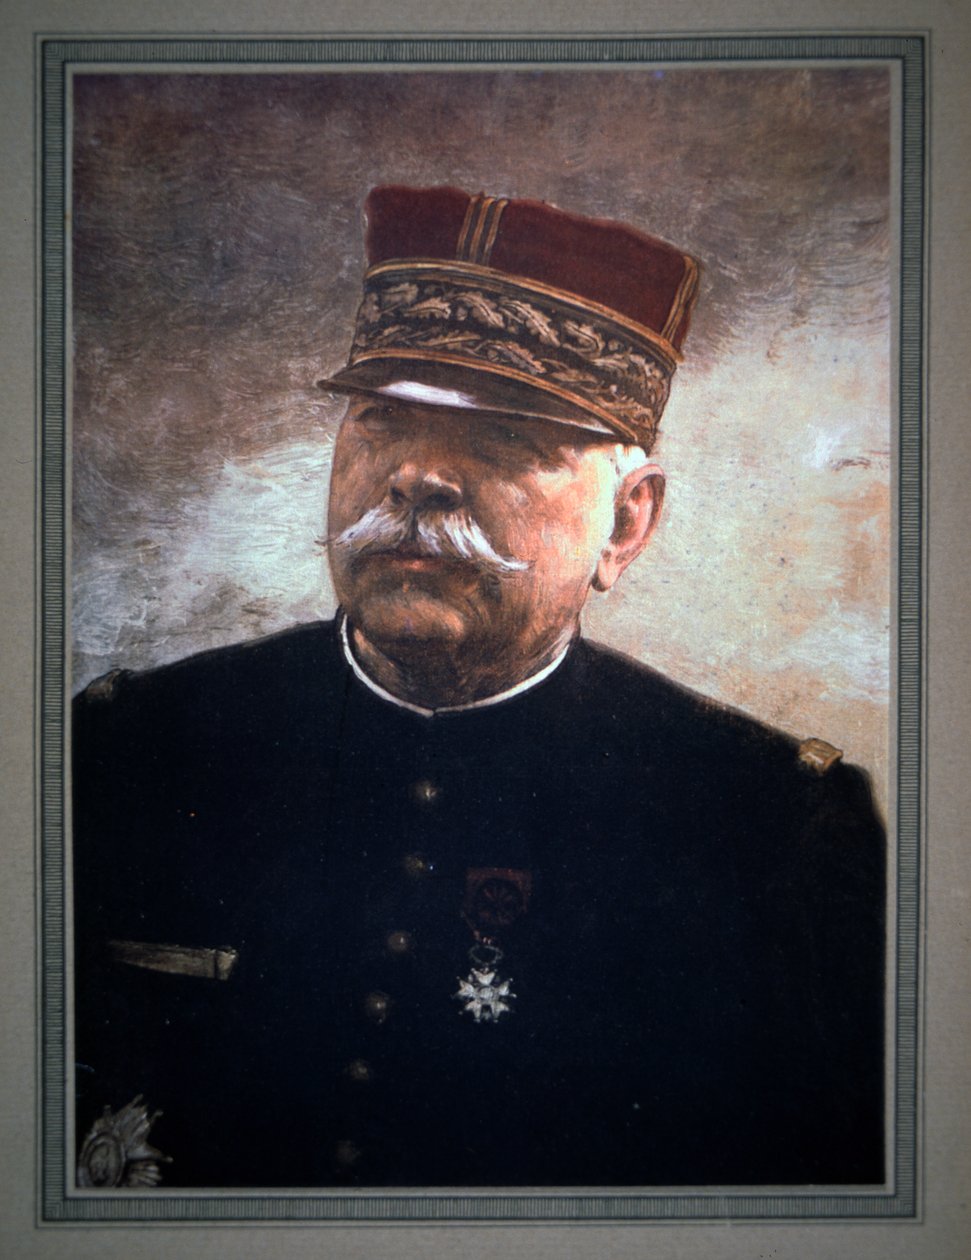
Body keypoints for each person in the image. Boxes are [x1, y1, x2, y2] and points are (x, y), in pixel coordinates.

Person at [73, 186, 885, 1190]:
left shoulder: (774, 827)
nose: (417, 477)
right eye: (381, 421)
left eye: (503, 437)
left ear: (626, 523)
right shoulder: (126, 749)